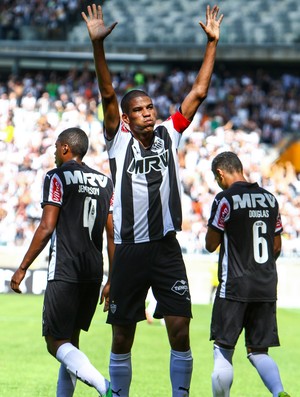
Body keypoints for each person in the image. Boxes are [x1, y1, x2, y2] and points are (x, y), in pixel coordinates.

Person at [82, 3, 223, 396]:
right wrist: (98, 47)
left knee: (180, 327)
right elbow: (108, 92)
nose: (147, 114)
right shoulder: (118, 140)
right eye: (139, 110)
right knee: (123, 335)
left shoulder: (169, 134)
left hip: (165, 248)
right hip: (128, 251)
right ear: (125, 119)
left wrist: (211, 44)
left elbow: (199, 92)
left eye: (149, 108)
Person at [10, 127, 114, 397]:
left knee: (55, 342)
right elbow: (113, 233)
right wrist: (112, 278)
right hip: (93, 272)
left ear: (65, 148)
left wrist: (22, 268)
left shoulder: (56, 177)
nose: (55, 153)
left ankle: (104, 386)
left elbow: (46, 227)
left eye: (57, 148)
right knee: (72, 343)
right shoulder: (105, 182)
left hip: (65, 269)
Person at [205, 151, 290, 397]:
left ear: (220, 173)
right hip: (265, 286)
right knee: (258, 351)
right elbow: (276, 247)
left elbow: (211, 244)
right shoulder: (270, 199)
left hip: (234, 286)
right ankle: (279, 392)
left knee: (222, 349)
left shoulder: (225, 199)